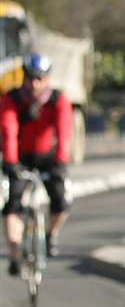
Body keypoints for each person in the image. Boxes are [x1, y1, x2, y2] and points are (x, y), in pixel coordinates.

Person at [1, 52, 73, 273]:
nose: (34, 83)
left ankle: (52, 233)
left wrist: (61, 163)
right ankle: (14, 255)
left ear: (47, 78)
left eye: (39, 78)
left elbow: (64, 133)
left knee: (61, 200)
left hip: (48, 157)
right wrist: (11, 163)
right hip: (20, 157)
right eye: (30, 77)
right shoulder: (12, 99)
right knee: (13, 204)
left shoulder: (57, 100)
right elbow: (8, 130)